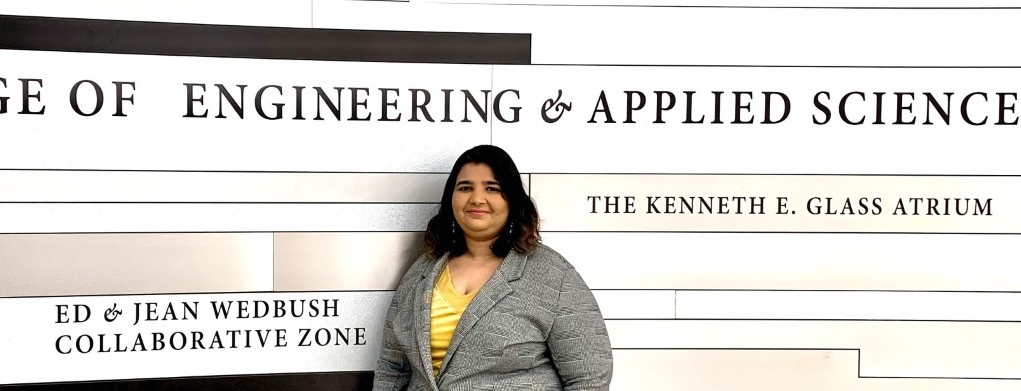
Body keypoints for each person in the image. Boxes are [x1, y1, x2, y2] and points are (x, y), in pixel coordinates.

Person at [373, 144, 613, 391]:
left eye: (492, 188)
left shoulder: (553, 275)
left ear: (512, 201)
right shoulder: (422, 271)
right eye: (465, 187)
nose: (477, 198)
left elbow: (589, 379)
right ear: (451, 198)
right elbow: (393, 369)